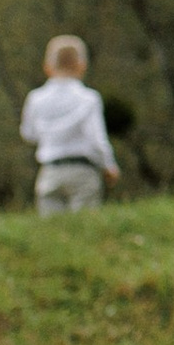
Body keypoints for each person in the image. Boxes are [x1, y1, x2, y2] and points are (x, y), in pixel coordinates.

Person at [19, 36, 119, 214]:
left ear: (47, 67)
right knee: (83, 231)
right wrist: (108, 165)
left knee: (50, 234)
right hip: (83, 171)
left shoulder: (35, 99)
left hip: (50, 172)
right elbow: (96, 139)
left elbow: (29, 134)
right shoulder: (88, 98)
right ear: (82, 65)